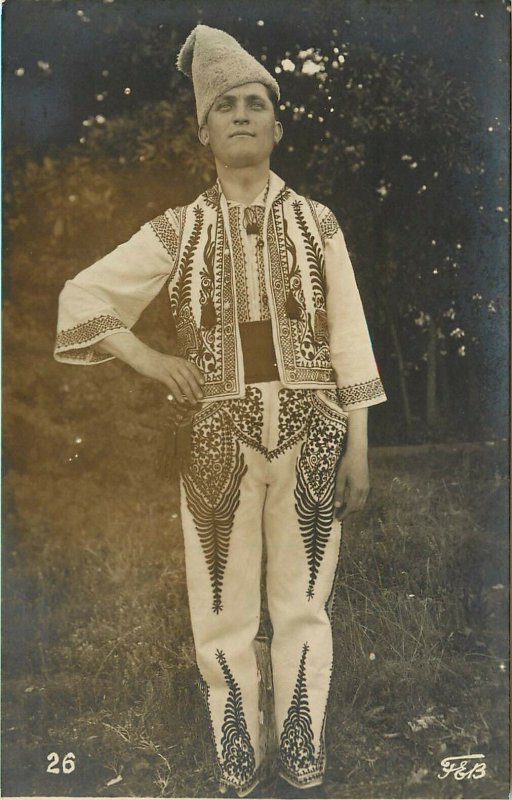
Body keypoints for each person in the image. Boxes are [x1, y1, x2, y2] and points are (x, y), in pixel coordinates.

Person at [54, 25, 386, 799]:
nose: (242, 116)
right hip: (214, 436)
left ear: (277, 124)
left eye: (255, 104)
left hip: (312, 430)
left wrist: (359, 446)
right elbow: (83, 297)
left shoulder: (319, 223)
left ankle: (301, 738)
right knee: (221, 604)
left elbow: (349, 337)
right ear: (203, 130)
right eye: (225, 106)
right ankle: (239, 743)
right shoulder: (179, 228)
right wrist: (152, 359)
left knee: (304, 600)